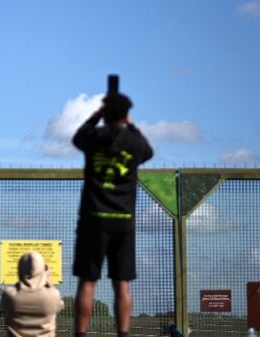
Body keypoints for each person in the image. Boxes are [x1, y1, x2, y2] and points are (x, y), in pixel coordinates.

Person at [71, 92, 153, 337]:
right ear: (127, 115)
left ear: (105, 114)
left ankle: (81, 334)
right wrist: (132, 126)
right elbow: (148, 152)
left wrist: (97, 115)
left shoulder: (94, 137)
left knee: (87, 281)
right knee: (122, 283)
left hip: (93, 219)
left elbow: (77, 137)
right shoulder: (135, 144)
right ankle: (123, 334)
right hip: (123, 222)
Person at [2, 251, 65, 337]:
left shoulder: (9, 294)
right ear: (43, 269)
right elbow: (60, 306)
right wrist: (47, 279)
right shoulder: (53, 295)